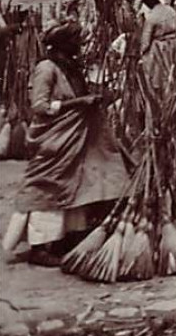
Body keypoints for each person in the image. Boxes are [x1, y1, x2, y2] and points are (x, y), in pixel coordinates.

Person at [8, 21, 129, 266]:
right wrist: (77, 104)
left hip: (73, 137)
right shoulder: (46, 68)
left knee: (74, 186)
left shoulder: (70, 66)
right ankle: (39, 247)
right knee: (48, 188)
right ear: (63, 43)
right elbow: (39, 106)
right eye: (75, 41)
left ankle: (66, 238)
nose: (80, 45)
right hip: (54, 138)